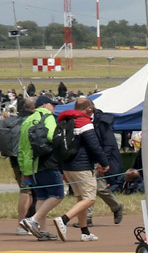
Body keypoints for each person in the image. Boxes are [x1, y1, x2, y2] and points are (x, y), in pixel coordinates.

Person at [56, 98, 117, 241]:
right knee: (89, 198)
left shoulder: (64, 121)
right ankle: (63, 219)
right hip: (82, 166)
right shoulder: (84, 122)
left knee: (81, 198)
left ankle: (85, 232)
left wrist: (61, 168)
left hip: (67, 166)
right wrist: (104, 162)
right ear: (88, 108)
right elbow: (94, 145)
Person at [18, 96, 64, 241]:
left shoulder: (27, 121)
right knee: (57, 194)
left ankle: (42, 230)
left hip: (30, 165)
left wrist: (24, 168)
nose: (54, 108)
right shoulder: (48, 116)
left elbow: (21, 146)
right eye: (52, 105)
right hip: (46, 162)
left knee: (42, 196)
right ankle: (33, 219)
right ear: (44, 105)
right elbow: (52, 136)